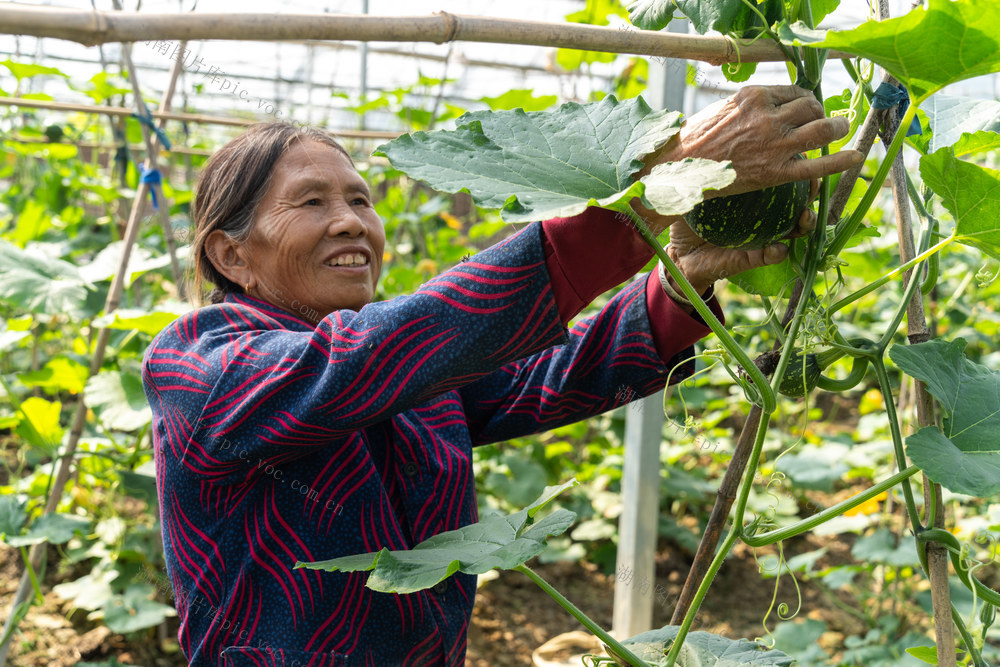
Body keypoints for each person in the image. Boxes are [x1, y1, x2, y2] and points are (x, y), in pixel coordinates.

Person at [141, 85, 861, 666]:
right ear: (232, 256)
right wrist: (653, 190)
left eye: (360, 199)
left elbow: (542, 377)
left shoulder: (404, 366)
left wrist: (679, 291)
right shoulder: (197, 363)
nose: (352, 222)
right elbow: (358, 360)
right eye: (312, 202)